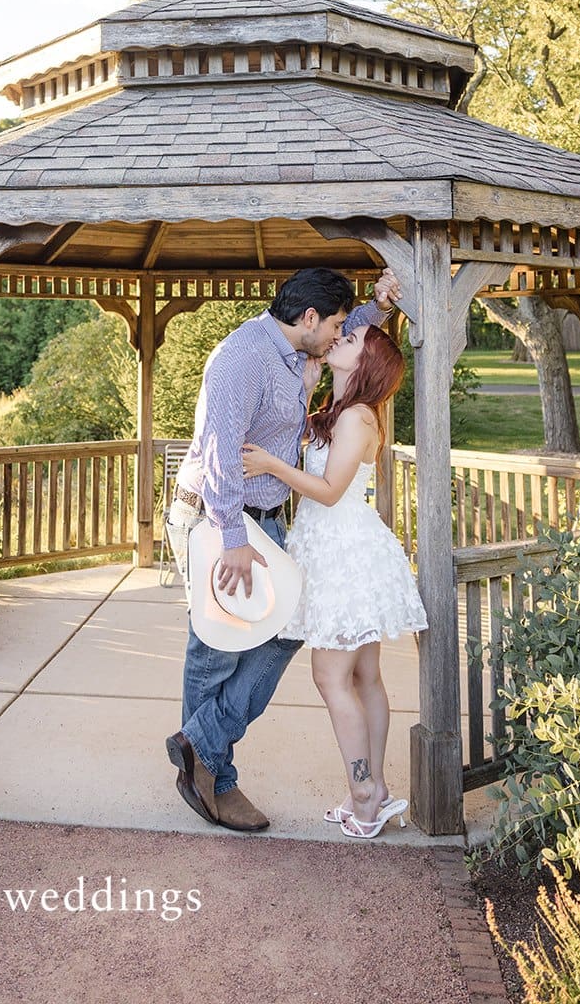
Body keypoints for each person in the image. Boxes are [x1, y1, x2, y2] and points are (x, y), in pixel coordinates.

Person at [164, 265, 400, 833]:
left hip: (264, 517)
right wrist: (232, 539)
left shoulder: (300, 346)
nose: (342, 334)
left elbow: (357, 341)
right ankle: (215, 779)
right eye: (337, 325)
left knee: (284, 633)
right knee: (217, 649)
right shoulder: (242, 358)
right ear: (310, 318)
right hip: (219, 516)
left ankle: (200, 745)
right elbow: (221, 454)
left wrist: (380, 306)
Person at [241, 321, 427, 839]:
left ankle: (364, 793)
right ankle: (374, 788)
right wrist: (307, 388)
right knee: (364, 678)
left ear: (366, 360)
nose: (341, 337)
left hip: (344, 555)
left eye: (352, 338)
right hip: (335, 550)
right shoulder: (344, 411)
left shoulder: (358, 418)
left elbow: (327, 491)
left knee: (330, 678)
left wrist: (270, 465)